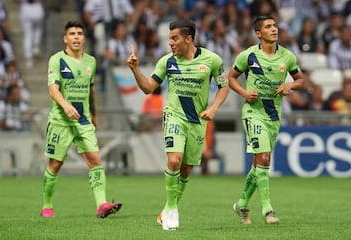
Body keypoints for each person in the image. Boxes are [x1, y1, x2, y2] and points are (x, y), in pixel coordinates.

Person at [127, 19, 229, 230]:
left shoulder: (212, 60)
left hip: (197, 120)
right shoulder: (167, 62)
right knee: (174, 160)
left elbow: (224, 87)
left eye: (175, 38)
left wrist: (213, 109)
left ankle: (167, 208)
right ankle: (172, 210)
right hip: (174, 116)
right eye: (169, 39)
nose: (171, 43)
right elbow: (148, 87)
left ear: (188, 39)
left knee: (186, 170)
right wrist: (136, 69)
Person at [40, 21, 122, 218]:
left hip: (83, 120)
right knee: (55, 165)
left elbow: (90, 90)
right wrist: (66, 106)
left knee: (95, 160)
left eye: (79, 33)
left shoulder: (91, 62)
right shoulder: (56, 60)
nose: (76, 37)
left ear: (84, 38)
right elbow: (53, 89)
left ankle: (101, 205)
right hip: (61, 120)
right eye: (72, 33)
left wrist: (93, 113)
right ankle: (47, 205)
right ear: (65, 38)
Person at [228, 15, 304, 225]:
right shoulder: (248, 56)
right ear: (258, 33)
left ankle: (242, 203)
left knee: (259, 164)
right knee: (264, 159)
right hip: (253, 113)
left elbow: (300, 80)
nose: (274, 29)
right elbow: (231, 77)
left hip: (273, 115)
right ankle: (268, 209)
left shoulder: (287, 57)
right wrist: (244, 93)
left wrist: (290, 85)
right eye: (268, 27)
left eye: (275, 25)